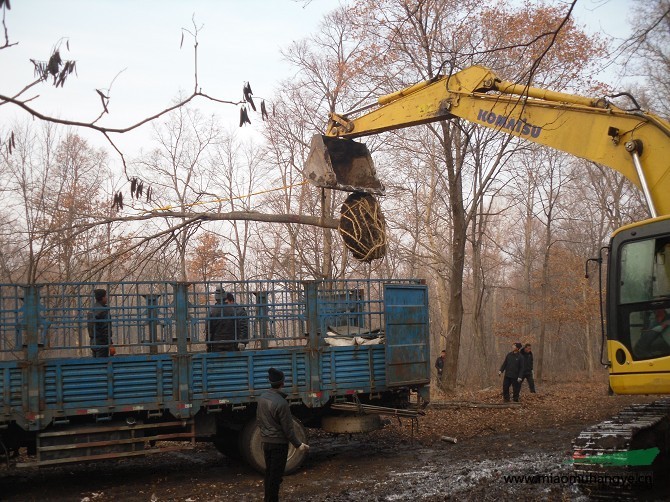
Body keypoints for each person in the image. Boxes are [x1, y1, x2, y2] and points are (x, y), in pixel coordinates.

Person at [256, 367, 309, 502]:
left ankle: (267, 499)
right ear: (283, 383)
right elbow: (288, 429)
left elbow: (259, 420)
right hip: (279, 445)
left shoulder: (262, 398)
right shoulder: (281, 403)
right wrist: (298, 445)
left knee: (269, 474)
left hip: (266, 443)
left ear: (270, 382)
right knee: (275, 477)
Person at [87, 288, 113, 357]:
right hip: (101, 343)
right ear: (102, 297)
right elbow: (106, 329)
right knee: (103, 365)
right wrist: (110, 344)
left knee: (96, 365)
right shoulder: (103, 311)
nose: (107, 298)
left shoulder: (91, 310)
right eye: (105, 296)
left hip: (93, 341)